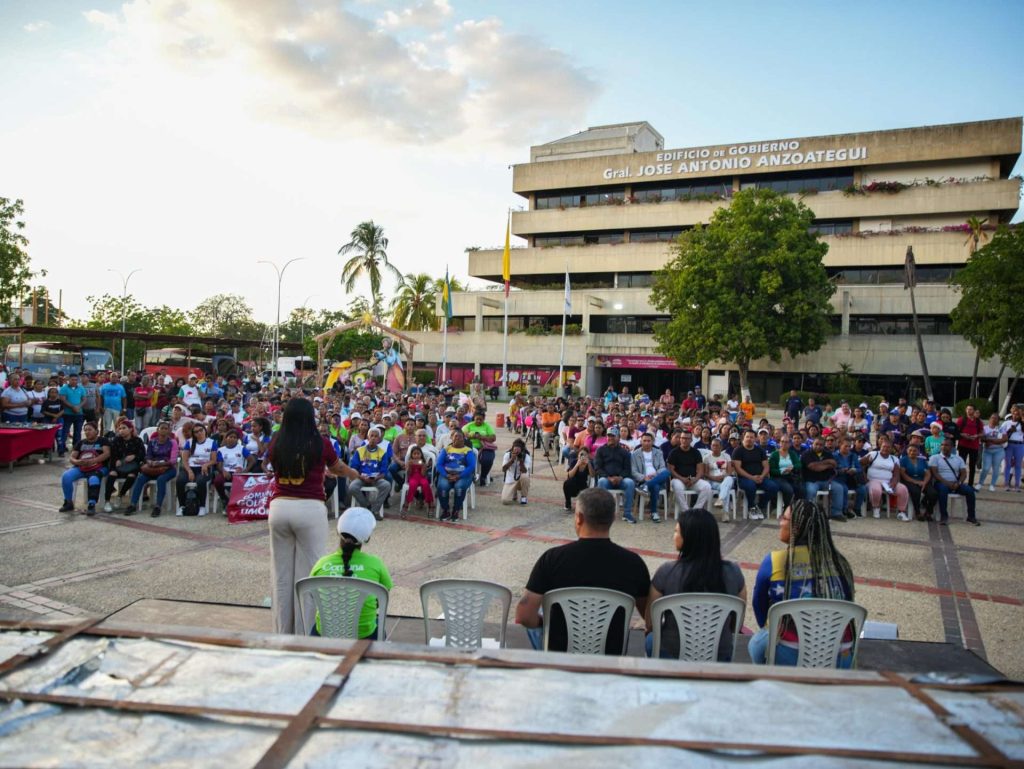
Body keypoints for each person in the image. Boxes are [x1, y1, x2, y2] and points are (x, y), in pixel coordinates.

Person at [515, 488, 651, 653]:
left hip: (559, 653)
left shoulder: (552, 559)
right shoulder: (634, 564)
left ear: (579, 518)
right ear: (613, 518)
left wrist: (544, 623)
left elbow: (524, 615)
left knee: (541, 610)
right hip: (610, 656)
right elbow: (650, 619)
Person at [267, 398, 358, 635]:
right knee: (308, 574)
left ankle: (282, 633)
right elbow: (337, 468)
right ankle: (305, 633)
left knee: (281, 575)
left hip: (279, 507)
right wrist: (352, 473)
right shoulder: (320, 442)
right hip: (309, 508)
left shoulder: (276, 441)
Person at [749, 499, 856, 667]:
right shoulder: (840, 563)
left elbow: (759, 606)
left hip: (791, 653)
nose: (780, 522)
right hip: (840, 654)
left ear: (796, 527)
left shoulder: (775, 561)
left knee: (755, 645)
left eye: (784, 518)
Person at [645, 508, 746, 661]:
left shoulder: (666, 572)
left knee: (651, 639)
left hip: (671, 655)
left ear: (688, 538)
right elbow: (736, 625)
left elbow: (651, 623)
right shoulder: (734, 572)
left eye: (676, 531)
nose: (673, 536)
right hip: (719, 656)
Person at [308, 507, 393, 638]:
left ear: (338, 532)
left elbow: (313, 595)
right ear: (367, 538)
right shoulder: (376, 564)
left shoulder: (321, 563)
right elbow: (383, 595)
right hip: (364, 636)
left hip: (324, 635)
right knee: (379, 626)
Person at [125, 420, 179, 517]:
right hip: (153, 468)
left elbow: (173, 460)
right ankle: (132, 504)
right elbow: (148, 456)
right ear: (158, 430)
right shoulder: (152, 442)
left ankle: (158, 506)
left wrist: (160, 463)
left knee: (161, 479)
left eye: (166, 428)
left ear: (169, 431)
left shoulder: (172, 442)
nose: (163, 430)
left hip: (168, 468)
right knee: (140, 478)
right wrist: (150, 462)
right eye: (161, 428)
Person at [59, 421, 110, 515]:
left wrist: (94, 460)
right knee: (66, 476)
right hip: (82, 467)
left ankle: (91, 504)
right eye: (85, 430)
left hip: (100, 467)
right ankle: (68, 502)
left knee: (93, 479)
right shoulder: (81, 443)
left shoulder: (103, 441)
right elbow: (72, 457)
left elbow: (107, 454)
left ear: (96, 431)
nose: (87, 432)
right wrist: (78, 462)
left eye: (90, 430)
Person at [929, 436, 979, 526]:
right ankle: (944, 516)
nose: (943, 447)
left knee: (970, 491)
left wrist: (959, 483)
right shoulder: (935, 458)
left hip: (955, 483)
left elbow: (964, 473)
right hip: (941, 483)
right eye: (942, 445)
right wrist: (947, 483)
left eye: (946, 445)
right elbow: (935, 473)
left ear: (952, 447)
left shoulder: (958, 459)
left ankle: (971, 517)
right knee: (943, 490)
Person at [730, 430, 779, 520]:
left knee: (773, 487)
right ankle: (751, 507)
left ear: (755, 439)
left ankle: (759, 506)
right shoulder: (738, 450)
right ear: (743, 438)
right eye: (747, 437)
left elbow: (766, 466)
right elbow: (738, 469)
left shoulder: (760, 450)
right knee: (751, 486)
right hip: (744, 478)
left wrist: (762, 476)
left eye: (751, 437)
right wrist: (751, 477)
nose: (749, 439)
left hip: (760, 477)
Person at [349, 426, 393, 520]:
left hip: (376, 478)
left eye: (376, 436)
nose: (373, 438)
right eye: (371, 436)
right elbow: (354, 468)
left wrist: (376, 478)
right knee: (352, 487)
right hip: (361, 478)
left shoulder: (382, 452)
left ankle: (375, 510)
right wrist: (361, 477)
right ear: (368, 438)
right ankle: (367, 506)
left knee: (386, 485)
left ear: (379, 439)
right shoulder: (360, 451)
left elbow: (384, 471)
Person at [594, 427, 637, 523]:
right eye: (609, 436)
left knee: (630, 482)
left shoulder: (624, 452)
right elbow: (597, 468)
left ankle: (627, 513)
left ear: (618, 437)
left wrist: (620, 477)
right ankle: (602, 513)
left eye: (613, 436)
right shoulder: (600, 450)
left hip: (621, 479)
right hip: (607, 479)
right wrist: (608, 477)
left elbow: (627, 469)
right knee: (601, 481)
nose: (610, 438)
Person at [860, 438, 910, 520]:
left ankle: (901, 512)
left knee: (903, 489)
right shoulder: (873, 454)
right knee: (876, 489)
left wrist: (894, 482)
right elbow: (860, 464)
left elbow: (896, 474)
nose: (886, 449)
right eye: (884, 446)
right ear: (880, 446)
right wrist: (864, 477)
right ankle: (876, 508)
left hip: (888, 482)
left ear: (891, 449)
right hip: (873, 480)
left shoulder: (894, 459)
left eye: (888, 447)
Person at [801, 436, 847, 523]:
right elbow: (814, 467)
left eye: (821, 445)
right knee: (811, 491)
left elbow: (834, 464)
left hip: (826, 480)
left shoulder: (827, 453)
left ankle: (836, 513)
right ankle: (810, 513)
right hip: (811, 481)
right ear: (812, 444)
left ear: (824, 445)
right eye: (816, 444)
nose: (818, 446)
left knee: (839, 488)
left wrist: (819, 464)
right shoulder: (806, 454)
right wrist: (827, 463)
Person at [175, 422, 218, 517]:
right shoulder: (189, 442)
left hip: (204, 468)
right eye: (196, 432)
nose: (199, 433)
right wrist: (189, 471)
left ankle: (202, 506)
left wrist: (206, 464)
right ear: (193, 434)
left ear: (205, 430)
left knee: (201, 481)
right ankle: (182, 506)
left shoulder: (211, 442)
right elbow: (184, 460)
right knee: (180, 481)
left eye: (201, 430)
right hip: (189, 467)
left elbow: (214, 460)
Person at [666, 430, 712, 515]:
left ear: (691, 440)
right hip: (678, 479)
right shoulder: (674, 452)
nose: (685, 440)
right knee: (677, 486)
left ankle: (696, 510)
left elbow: (700, 470)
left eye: (687, 438)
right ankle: (686, 511)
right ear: (680, 439)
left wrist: (695, 480)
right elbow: (671, 469)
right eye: (683, 438)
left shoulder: (696, 452)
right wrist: (682, 478)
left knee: (707, 486)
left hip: (693, 479)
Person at [103, 420, 145, 512]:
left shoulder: (137, 441)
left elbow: (142, 455)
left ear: (130, 429)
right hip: (118, 466)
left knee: (132, 476)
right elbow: (112, 455)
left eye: (124, 428)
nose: (121, 430)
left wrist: (134, 456)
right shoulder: (116, 440)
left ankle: (120, 495)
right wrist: (116, 460)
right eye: (120, 428)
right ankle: (107, 501)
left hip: (132, 467)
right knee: (112, 474)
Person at [436, 428, 476, 521]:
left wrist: (459, 476)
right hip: (447, 475)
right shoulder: (446, 449)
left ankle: (456, 510)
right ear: (451, 438)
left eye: (460, 436)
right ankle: (445, 510)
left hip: (463, 475)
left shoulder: (468, 451)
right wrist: (446, 475)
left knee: (459, 487)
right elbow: (439, 464)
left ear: (463, 439)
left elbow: (471, 466)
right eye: (455, 436)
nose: (457, 438)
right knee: (443, 488)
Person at [631, 432, 672, 522]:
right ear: (641, 441)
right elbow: (633, 471)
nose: (646, 443)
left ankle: (645, 486)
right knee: (655, 486)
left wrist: (655, 475)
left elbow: (662, 467)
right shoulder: (635, 454)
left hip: (657, 477)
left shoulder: (658, 452)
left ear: (652, 442)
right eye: (644, 441)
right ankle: (654, 512)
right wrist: (644, 477)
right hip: (642, 480)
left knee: (667, 472)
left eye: (649, 441)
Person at [900, 442, 937, 521]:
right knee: (916, 492)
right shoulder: (903, 460)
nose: (912, 452)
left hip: (922, 480)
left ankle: (928, 512)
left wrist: (924, 482)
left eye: (914, 451)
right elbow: (903, 474)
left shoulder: (922, 460)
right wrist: (915, 482)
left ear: (918, 452)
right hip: (909, 481)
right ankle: (917, 512)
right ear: (907, 451)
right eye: (910, 450)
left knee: (933, 493)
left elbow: (928, 473)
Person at [464, 409, 497, 486]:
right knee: (467, 459)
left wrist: (481, 437)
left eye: (481, 419)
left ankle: (483, 476)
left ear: (484, 419)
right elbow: (463, 434)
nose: (479, 421)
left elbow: (493, 438)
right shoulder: (469, 425)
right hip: (470, 447)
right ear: (474, 418)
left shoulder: (487, 426)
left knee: (488, 459)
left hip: (484, 447)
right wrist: (472, 436)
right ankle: (471, 476)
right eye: (477, 419)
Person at [769, 434, 802, 509]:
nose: (784, 443)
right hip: (777, 477)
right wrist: (781, 471)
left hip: (790, 476)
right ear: (779, 443)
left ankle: (797, 508)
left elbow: (799, 464)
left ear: (790, 444)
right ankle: (787, 509)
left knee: (800, 489)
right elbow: (771, 470)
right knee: (788, 490)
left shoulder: (792, 454)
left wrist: (792, 467)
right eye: (782, 441)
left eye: (786, 442)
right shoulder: (774, 454)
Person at [979, 412, 1007, 492]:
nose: (993, 419)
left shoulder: (1001, 428)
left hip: (998, 451)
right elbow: (982, 438)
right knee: (985, 468)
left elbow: (1005, 439)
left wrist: (991, 440)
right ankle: (980, 483)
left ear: (998, 420)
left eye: (996, 418)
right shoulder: (984, 428)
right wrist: (993, 440)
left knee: (996, 468)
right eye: (992, 418)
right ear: (989, 419)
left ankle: (992, 485)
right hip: (987, 451)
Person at [402, 444, 434, 511]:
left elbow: (423, 474)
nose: (416, 455)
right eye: (414, 454)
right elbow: (408, 474)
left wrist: (423, 466)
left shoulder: (422, 462)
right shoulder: (409, 462)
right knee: (412, 485)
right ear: (411, 455)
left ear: (421, 455)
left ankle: (430, 501)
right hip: (413, 477)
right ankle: (407, 501)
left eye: (418, 454)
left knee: (426, 484)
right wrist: (409, 466)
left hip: (421, 477)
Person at [500, 437, 531, 505]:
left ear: (522, 450)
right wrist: (511, 460)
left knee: (525, 476)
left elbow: (524, 471)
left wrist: (521, 461)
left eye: (518, 450)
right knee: (505, 501)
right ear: (512, 449)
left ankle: (524, 497)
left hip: (521, 480)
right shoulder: (508, 455)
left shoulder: (526, 456)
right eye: (515, 449)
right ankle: (514, 492)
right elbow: (503, 469)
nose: (516, 452)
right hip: (510, 480)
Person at [563, 446, 593, 511]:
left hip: (583, 485)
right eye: (581, 454)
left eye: (584, 455)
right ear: (578, 455)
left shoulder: (589, 463)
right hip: (574, 484)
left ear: (587, 455)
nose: (582, 456)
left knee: (583, 507)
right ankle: (568, 502)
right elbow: (569, 475)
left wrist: (589, 464)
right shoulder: (574, 462)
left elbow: (592, 475)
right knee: (566, 483)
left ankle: (582, 504)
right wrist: (577, 465)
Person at [1002, 406, 1024, 492]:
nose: (1016, 416)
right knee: (1008, 465)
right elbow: (1000, 433)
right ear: (1012, 414)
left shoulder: (1022, 423)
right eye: (1014, 414)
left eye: (1018, 414)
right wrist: (1009, 431)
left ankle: (1017, 485)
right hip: (1009, 445)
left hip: (1020, 445)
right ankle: (1006, 484)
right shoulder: (1006, 423)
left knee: (1018, 466)